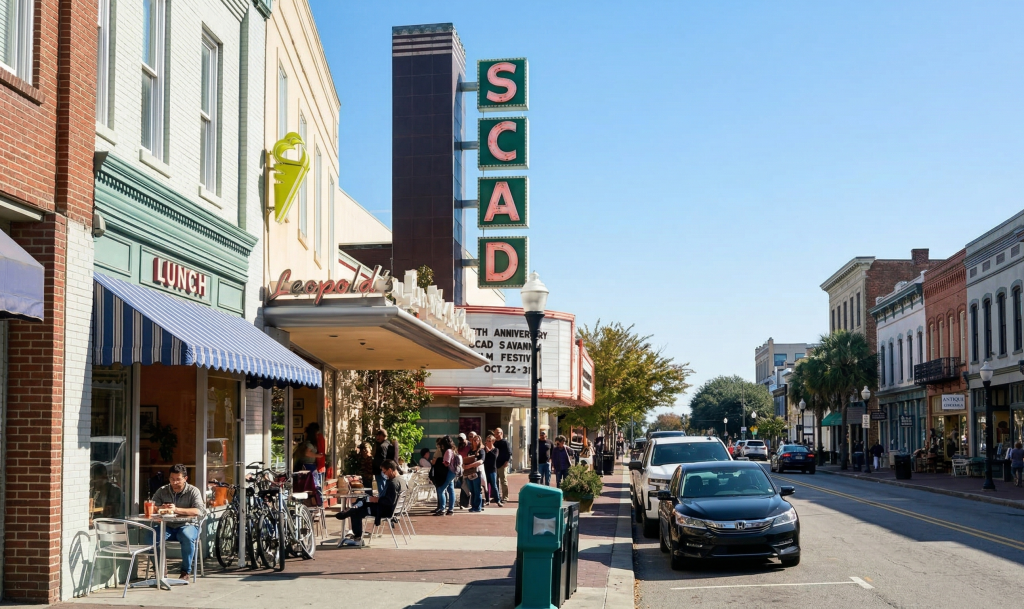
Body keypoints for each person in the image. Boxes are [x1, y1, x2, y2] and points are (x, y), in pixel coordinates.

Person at [149, 464, 206, 580]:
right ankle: (160, 571)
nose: (174, 483)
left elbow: (199, 511)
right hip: (167, 525)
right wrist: (161, 508)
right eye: (172, 479)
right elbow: (152, 506)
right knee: (151, 536)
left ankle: (185, 571)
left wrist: (176, 509)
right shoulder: (163, 490)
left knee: (186, 536)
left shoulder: (193, 491)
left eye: (178, 479)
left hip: (187, 525)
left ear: (185, 478)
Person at [335, 459, 408, 547]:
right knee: (363, 500)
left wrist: (376, 500)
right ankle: (352, 509)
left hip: (384, 510)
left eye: (385, 472)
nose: (384, 475)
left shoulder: (393, 483)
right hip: (389, 509)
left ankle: (357, 536)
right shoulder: (401, 480)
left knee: (358, 511)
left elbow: (389, 501)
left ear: (390, 470)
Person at [295, 423, 324, 505]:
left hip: (309, 465)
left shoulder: (307, 442)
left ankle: (314, 503)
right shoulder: (310, 444)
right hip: (309, 465)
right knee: (315, 485)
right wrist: (317, 455)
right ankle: (317, 503)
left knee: (313, 485)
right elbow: (307, 453)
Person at [432, 436, 458, 516]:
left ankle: (442, 509)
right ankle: (450, 509)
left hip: (449, 472)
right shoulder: (453, 450)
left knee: (441, 489)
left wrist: (438, 462)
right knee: (451, 490)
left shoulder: (448, 451)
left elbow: (447, 463)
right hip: (453, 471)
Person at [462, 435, 486, 512]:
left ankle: (478, 507)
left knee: (477, 490)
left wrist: (469, 466)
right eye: (474, 440)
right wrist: (464, 466)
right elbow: (466, 460)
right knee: (472, 491)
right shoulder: (470, 451)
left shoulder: (481, 451)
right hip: (469, 473)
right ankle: (473, 506)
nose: (476, 441)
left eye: (477, 440)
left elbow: (481, 461)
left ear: (480, 441)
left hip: (477, 473)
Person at [372, 429, 396, 494]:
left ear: (383, 436)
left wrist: (381, 468)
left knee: (381, 488)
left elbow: (382, 458)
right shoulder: (388, 444)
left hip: (380, 471)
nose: (377, 437)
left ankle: (382, 501)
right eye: (377, 436)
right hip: (386, 470)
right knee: (384, 487)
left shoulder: (382, 446)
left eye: (379, 435)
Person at [483, 434, 502, 507]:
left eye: (489, 441)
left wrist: (489, 451)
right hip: (486, 469)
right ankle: (487, 500)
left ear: (493, 441)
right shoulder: (484, 450)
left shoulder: (495, 450)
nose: (488, 442)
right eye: (487, 441)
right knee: (486, 486)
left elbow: (494, 457)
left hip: (493, 470)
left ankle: (498, 500)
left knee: (494, 485)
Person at [493, 428, 512, 502]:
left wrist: (507, 461)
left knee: (503, 481)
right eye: (495, 433)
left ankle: (505, 497)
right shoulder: (494, 443)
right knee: (495, 481)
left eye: (498, 433)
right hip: (494, 465)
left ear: (501, 433)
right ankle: (497, 496)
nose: (496, 434)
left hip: (502, 464)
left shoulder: (505, 442)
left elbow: (509, 452)